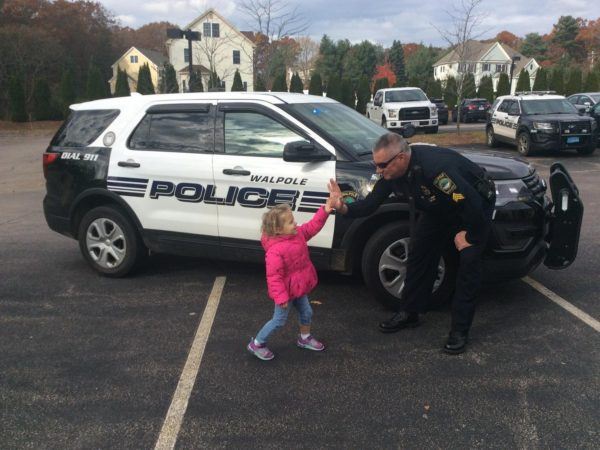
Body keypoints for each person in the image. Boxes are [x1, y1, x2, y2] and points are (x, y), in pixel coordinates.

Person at [328, 132, 495, 354]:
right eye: (375, 164)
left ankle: (459, 331)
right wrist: (343, 207)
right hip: (438, 208)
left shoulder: (436, 170)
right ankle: (410, 313)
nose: (378, 170)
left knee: (468, 264)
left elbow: (471, 202)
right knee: (418, 254)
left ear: (400, 158)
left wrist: (470, 236)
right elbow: (370, 204)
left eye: (382, 165)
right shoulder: (392, 173)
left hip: (472, 208)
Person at [247, 200, 335, 361]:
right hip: (285, 293)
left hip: (298, 288)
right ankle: (257, 343)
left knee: (307, 312)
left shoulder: (298, 234)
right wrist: (281, 297)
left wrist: (325, 210)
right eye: (290, 221)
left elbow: (312, 226)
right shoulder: (275, 251)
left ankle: (304, 338)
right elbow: (274, 277)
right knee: (279, 321)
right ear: (278, 229)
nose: (295, 223)